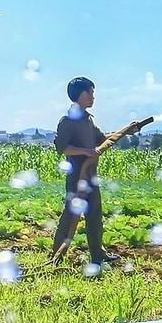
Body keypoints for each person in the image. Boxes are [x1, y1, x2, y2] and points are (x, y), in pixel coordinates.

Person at [52, 77, 121, 267]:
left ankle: (98, 254)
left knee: (95, 215)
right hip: (76, 177)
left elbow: (102, 139)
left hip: (91, 176)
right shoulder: (67, 121)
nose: (93, 96)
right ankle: (56, 255)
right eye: (90, 92)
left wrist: (123, 132)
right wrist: (85, 151)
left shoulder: (89, 120)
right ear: (80, 95)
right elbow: (63, 148)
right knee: (70, 215)